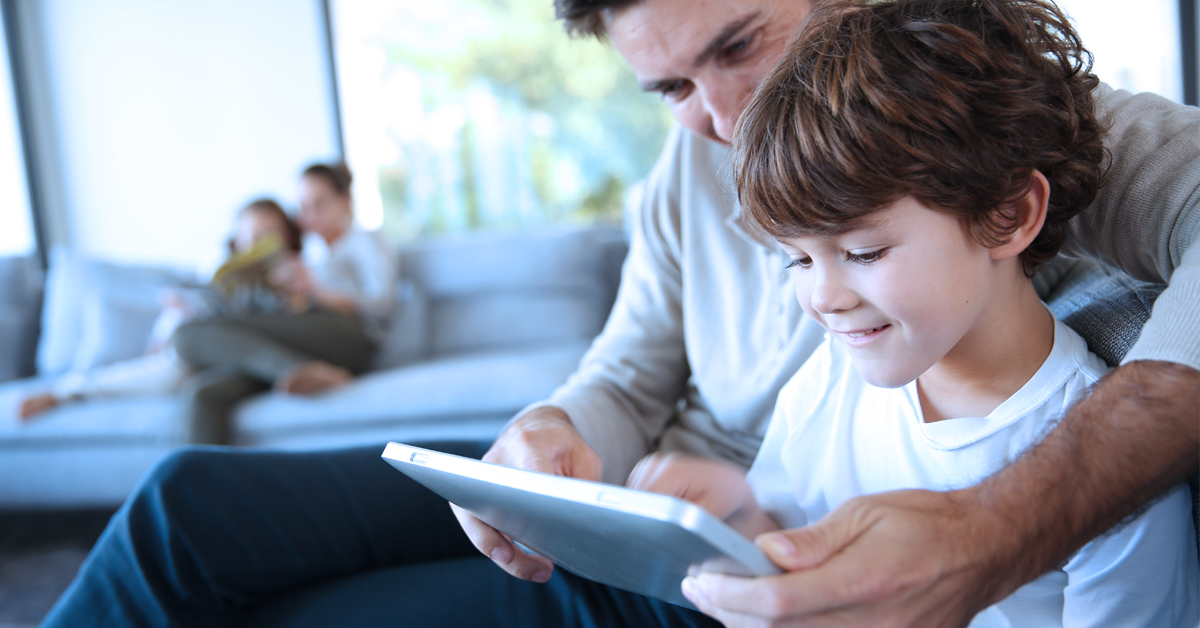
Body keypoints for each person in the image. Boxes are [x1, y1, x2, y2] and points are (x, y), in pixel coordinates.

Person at [41, 0, 1198, 625]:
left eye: (738, 45)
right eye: (671, 86)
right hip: (671, 506)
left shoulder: (1003, 122)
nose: (721, 114)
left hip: (733, 574)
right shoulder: (694, 173)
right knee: (185, 506)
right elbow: (631, 368)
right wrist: (560, 431)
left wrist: (1000, 528)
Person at [624, 1, 1198, 625]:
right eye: (799, 261)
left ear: (1008, 214)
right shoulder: (826, 386)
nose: (823, 298)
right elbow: (788, 564)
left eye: (863, 252)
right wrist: (736, 521)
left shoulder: (1112, 478)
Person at [14, 198, 304, 424]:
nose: (258, 245)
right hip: (202, 350)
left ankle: (71, 390)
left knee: (181, 371)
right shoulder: (217, 270)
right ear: (237, 239)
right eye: (252, 237)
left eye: (269, 236)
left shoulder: (301, 274)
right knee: (178, 356)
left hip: (249, 356)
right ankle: (68, 390)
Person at [170, 163, 397, 444]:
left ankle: (291, 368)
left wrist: (317, 290)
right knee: (203, 393)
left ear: (345, 200)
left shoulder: (363, 240)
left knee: (187, 334)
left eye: (319, 204)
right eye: (304, 207)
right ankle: (199, 487)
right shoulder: (312, 251)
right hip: (301, 344)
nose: (310, 216)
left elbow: (381, 305)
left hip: (345, 334)